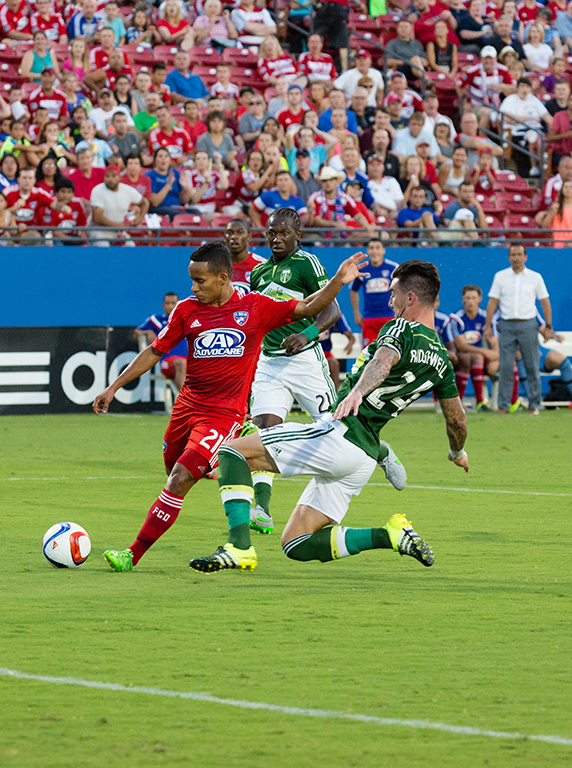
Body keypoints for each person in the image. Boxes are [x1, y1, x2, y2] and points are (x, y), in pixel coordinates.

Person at [94, 243, 369, 572]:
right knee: (173, 469)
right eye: (192, 281)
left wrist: (337, 281)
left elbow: (310, 306)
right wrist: (113, 387)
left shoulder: (255, 307)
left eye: (200, 281)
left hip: (223, 414)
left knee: (179, 479)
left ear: (223, 278)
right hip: (186, 408)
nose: (194, 288)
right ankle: (217, 462)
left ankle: (132, 554)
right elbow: (154, 351)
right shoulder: (185, 310)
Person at [188, 258, 468, 572]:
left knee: (231, 452)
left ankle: (238, 547)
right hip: (361, 459)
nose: (390, 300)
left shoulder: (401, 327)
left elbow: (384, 361)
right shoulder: (442, 358)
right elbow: (457, 419)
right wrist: (457, 451)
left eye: (393, 293)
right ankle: (389, 535)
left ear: (410, 299)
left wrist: (358, 391)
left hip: (340, 435)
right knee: (296, 543)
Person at [242, 208, 354, 534]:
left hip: (305, 360)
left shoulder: (307, 264)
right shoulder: (259, 273)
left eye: (283, 233)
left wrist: (305, 334)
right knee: (263, 432)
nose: (277, 239)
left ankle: (381, 452)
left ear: (297, 234)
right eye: (272, 233)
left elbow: (332, 310)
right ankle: (261, 507)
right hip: (270, 363)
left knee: (337, 429)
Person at [483, 245, 552, 414]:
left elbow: (544, 302)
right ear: (509, 257)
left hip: (528, 324)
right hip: (506, 324)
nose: (516, 258)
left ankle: (535, 403)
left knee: (531, 365)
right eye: (513, 254)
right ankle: (503, 405)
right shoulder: (500, 277)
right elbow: (492, 302)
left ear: (526, 257)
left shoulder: (535, 277)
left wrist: (548, 326)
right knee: (506, 366)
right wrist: (487, 326)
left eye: (520, 254)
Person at [135, 292, 189, 393]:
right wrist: (148, 331)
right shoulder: (156, 320)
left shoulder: (186, 320)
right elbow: (136, 333)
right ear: (163, 306)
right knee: (181, 363)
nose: (170, 306)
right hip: (167, 362)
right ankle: (187, 403)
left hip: (188, 362)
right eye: (167, 303)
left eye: (173, 303)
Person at [350, 239, 398, 346]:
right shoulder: (362, 269)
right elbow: (353, 291)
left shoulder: (393, 268)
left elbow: (402, 289)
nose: (374, 251)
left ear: (383, 251)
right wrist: (356, 313)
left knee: (391, 351)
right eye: (371, 248)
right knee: (368, 354)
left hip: (389, 317)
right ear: (367, 251)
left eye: (377, 248)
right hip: (369, 318)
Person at [90, 163, 147, 245]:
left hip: (119, 231)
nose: (110, 179)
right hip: (100, 230)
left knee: (131, 246)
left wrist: (139, 219)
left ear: (119, 177)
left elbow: (145, 202)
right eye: (107, 176)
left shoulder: (126, 190)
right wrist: (118, 225)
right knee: (103, 245)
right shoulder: (98, 190)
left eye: (113, 176)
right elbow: (97, 218)